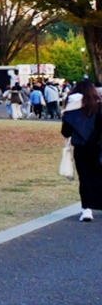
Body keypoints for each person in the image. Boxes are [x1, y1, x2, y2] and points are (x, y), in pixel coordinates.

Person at [62, 80, 102, 222]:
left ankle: (86, 210)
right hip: (98, 146)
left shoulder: (71, 109)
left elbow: (66, 132)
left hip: (80, 148)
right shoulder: (98, 106)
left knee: (84, 179)